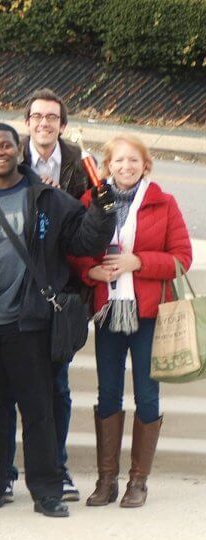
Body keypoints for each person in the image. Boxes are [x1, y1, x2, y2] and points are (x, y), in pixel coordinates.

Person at [0, 123, 115, 518]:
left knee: (39, 412)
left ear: (19, 152)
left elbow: (85, 242)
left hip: (30, 324)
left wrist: (103, 212)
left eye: (6, 145)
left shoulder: (48, 200)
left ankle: (47, 490)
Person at [72, 135, 191, 508]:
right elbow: (74, 249)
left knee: (147, 394)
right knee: (107, 393)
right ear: (108, 166)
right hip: (108, 312)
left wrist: (138, 262)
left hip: (148, 312)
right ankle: (106, 480)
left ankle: (138, 480)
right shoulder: (91, 200)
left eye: (133, 161)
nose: (126, 167)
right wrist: (92, 272)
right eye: (119, 161)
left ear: (145, 164)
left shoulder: (163, 203)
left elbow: (181, 258)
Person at [3, 87, 92, 502]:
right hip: (13, 289)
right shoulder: (8, 155)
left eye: (52, 117)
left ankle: (56, 468)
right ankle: (2, 470)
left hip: (59, 291)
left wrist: (58, 199)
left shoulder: (79, 164)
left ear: (62, 124)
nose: (44, 123)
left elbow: (93, 220)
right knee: (5, 386)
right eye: (37, 116)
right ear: (27, 122)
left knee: (57, 386)